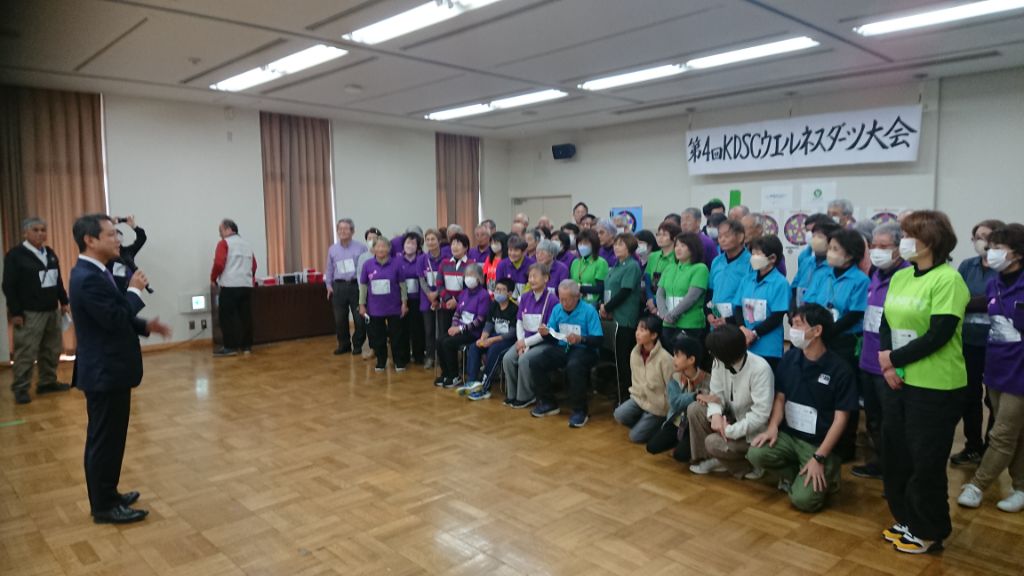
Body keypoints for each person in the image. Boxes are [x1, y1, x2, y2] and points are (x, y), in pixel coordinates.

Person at [877, 210, 970, 554]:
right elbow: (886, 323)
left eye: (908, 236)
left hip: (936, 386)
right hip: (899, 380)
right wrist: (888, 364)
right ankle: (907, 518)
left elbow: (939, 334)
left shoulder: (948, 280)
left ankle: (930, 531)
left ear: (930, 241)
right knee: (896, 454)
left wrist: (893, 359)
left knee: (925, 461)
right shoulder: (902, 276)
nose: (902, 242)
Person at [70, 214, 171, 524]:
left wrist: (145, 326)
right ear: (90, 240)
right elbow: (114, 318)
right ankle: (103, 506)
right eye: (111, 234)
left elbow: (113, 314)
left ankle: (109, 494)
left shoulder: (97, 271)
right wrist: (134, 290)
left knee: (113, 440)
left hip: (111, 370)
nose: (118, 239)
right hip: (103, 371)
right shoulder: (87, 277)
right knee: (103, 441)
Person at [748, 304, 857, 512]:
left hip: (818, 443)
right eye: (792, 325)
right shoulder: (790, 358)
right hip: (790, 436)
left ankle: (826, 474)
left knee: (803, 501)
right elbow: (780, 397)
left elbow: (841, 419)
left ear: (817, 331)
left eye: (798, 325)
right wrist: (772, 427)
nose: (793, 330)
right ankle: (800, 475)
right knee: (756, 453)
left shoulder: (840, 370)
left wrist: (819, 457)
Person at [957, 223, 1024, 513]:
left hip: (1020, 373)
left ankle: (977, 485)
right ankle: (1021, 487)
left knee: (1002, 434)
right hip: (996, 367)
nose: (990, 251)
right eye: (990, 246)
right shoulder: (995, 283)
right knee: (1016, 434)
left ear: (1018, 253)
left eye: (998, 247)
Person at [852, 222, 909, 480]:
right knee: (873, 418)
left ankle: (897, 472)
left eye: (884, 246)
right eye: (873, 245)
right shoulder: (875, 273)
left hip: (890, 362)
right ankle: (880, 463)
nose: (877, 251)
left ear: (899, 248)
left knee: (893, 421)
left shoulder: (907, 275)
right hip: (868, 358)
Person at [687, 325, 774, 478]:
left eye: (713, 352)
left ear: (726, 354)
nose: (711, 355)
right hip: (730, 417)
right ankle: (713, 458)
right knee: (695, 409)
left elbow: (760, 416)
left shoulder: (760, 369)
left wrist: (730, 431)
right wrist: (715, 415)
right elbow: (716, 394)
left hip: (752, 430)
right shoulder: (719, 362)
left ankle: (745, 466)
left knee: (712, 442)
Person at [953, 219, 1005, 466]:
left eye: (987, 236)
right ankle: (972, 446)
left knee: (993, 399)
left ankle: (991, 449)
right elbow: (956, 297)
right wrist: (982, 301)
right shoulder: (967, 265)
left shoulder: (1004, 267)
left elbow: (998, 300)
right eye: (978, 237)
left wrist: (974, 301)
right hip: (968, 341)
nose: (981, 241)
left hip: (997, 343)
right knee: (969, 396)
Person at [3, 217, 71, 404]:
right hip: (29, 313)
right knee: (26, 351)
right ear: (25, 233)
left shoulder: (49, 253)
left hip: (52, 310)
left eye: (43, 230)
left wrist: (64, 301)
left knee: (51, 348)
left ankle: (47, 382)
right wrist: (16, 312)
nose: (41, 233)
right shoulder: (15, 255)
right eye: (36, 230)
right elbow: (8, 285)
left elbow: (57, 280)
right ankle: (21, 388)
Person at [528, 279, 604, 428]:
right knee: (536, 361)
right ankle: (548, 402)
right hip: (564, 347)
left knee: (574, 366)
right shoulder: (557, 309)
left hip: (585, 350)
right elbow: (552, 336)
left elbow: (598, 340)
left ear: (577, 297)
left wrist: (581, 339)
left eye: (566, 299)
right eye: (561, 299)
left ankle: (580, 411)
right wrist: (545, 333)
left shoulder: (589, 311)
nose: (563, 303)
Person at [646, 333, 710, 460]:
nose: (674, 359)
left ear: (691, 360)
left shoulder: (707, 380)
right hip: (676, 423)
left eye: (677, 356)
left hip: (694, 427)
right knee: (652, 447)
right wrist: (695, 396)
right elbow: (675, 403)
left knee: (681, 456)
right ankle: (678, 442)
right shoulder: (674, 377)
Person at [502, 264, 556, 408]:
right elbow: (519, 321)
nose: (531, 280)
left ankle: (526, 396)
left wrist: (525, 343)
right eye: (530, 277)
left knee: (525, 359)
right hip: (524, 340)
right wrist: (521, 342)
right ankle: (512, 394)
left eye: (535, 276)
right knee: (508, 358)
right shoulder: (525, 297)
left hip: (543, 342)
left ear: (546, 278)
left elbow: (546, 331)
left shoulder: (552, 300)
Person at [613, 316, 673, 443]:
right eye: (637, 329)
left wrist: (666, 409)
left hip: (658, 407)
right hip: (640, 400)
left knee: (634, 437)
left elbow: (672, 388)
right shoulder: (634, 353)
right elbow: (635, 381)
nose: (637, 333)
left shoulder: (665, 359)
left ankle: (657, 424)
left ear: (654, 335)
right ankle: (645, 424)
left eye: (642, 330)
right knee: (619, 414)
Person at [734, 235, 789, 370]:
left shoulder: (780, 283)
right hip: (745, 343)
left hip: (768, 346)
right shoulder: (747, 279)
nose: (753, 257)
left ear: (772, 258)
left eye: (758, 254)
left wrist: (754, 334)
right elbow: (738, 307)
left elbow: (777, 316)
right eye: (752, 253)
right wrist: (742, 329)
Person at [601, 233, 642, 400]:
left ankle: (625, 396)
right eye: (615, 244)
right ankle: (618, 392)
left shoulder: (632, 266)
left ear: (629, 248)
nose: (616, 247)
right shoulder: (615, 265)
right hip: (611, 316)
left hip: (624, 318)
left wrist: (607, 307)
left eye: (621, 244)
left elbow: (625, 292)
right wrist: (604, 307)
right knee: (615, 358)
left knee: (623, 360)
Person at [435, 264, 490, 388]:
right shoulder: (464, 293)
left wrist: (460, 329)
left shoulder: (483, 295)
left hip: (473, 332)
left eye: (472, 275)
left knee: (448, 343)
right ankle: (446, 373)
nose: (468, 278)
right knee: (440, 341)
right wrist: (454, 326)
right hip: (460, 329)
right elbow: (457, 313)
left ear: (479, 278)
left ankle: (454, 375)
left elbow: (480, 320)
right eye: (467, 275)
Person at [463, 278, 519, 400]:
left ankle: (484, 386)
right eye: (497, 289)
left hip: (507, 340)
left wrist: (491, 341)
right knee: (474, 347)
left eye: (502, 290)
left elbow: (512, 333)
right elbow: (489, 324)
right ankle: (472, 382)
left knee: (494, 350)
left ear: (509, 294)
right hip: (493, 337)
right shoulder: (493, 305)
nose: (498, 292)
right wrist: (483, 338)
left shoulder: (514, 309)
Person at [359, 237, 409, 372]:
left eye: (384, 246)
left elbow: (403, 286)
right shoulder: (367, 265)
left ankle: (399, 361)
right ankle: (381, 361)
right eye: (378, 246)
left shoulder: (397, 264)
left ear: (389, 248)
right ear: (374, 249)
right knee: (378, 337)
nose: (381, 249)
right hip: (375, 308)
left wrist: (404, 303)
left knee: (396, 336)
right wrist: (362, 304)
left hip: (394, 307)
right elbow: (363, 286)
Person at [210, 218, 256, 357]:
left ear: (228, 229)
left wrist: (213, 278)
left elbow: (219, 263)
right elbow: (254, 265)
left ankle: (230, 347)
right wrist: (249, 278)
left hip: (230, 286)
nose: (220, 234)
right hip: (246, 286)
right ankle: (246, 346)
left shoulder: (224, 243)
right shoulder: (247, 245)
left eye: (221, 230)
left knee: (227, 317)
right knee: (245, 316)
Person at [325, 218, 368, 356]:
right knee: (340, 319)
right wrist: (328, 285)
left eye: (346, 228)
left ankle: (357, 344)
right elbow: (329, 269)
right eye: (340, 229)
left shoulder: (361, 248)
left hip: (356, 286)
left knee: (359, 319)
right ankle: (344, 345)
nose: (342, 231)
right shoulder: (332, 249)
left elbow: (365, 268)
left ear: (352, 231)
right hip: (338, 286)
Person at [656, 232, 708, 345]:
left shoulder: (700, 268)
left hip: (690, 323)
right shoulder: (669, 268)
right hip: (668, 323)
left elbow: (692, 297)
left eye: (683, 246)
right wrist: (664, 314)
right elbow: (660, 293)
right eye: (676, 245)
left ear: (693, 248)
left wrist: (672, 315)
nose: (678, 249)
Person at [707, 219, 750, 330]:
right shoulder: (716, 261)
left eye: (727, 236)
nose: (722, 240)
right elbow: (711, 292)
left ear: (740, 237)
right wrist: (710, 313)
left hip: (739, 323)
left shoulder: (750, 262)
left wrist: (729, 320)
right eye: (720, 236)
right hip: (716, 322)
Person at [793, 218, 840, 309]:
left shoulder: (834, 267)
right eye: (813, 236)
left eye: (820, 237)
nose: (815, 239)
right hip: (801, 312)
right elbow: (795, 286)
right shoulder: (806, 262)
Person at [438, 232, 475, 336]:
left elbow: (470, 287)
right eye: (453, 244)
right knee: (444, 335)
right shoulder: (444, 263)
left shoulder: (471, 264)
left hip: (462, 307)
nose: (454, 246)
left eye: (458, 244)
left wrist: (457, 300)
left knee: (457, 336)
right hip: (446, 305)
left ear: (466, 247)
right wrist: (448, 299)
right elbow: (439, 284)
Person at [419, 229, 445, 370]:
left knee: (442, 330)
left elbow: (447, 278)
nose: (430, 242)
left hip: (442, 298)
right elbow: (421, 279)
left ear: (439, 241)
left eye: (433, 239)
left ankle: (442, 356)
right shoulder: (422, 259)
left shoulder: (446, 258)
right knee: (429, 330)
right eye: (428, 239)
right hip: (427, 299)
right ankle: (430, 356)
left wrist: (437, 294)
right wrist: (430, 295)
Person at [645, 221, 682, 316]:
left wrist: (656, 302)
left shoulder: (678, 257)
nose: (660, 238)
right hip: (651, 301)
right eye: (658, 234)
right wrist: (650, 299)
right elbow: (648, 280)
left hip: (669, 302)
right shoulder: (653, 256)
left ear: (674, 238)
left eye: (664, 235)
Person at [399, 231, 426, 365]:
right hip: (401, 300)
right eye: (407, 243)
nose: (410, 246)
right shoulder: (397, 260)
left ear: (418, 246)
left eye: (413, 243)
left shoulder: (422, 260)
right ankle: (404, 356)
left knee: (417, 328)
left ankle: (418, 354)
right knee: (403, 328)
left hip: (418, 299)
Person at [570, 229, 608, 308]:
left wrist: (580, 288)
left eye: (585, 243)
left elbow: (600, 288)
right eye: (580, 243)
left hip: (592, 303)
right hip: (575, 302)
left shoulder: (600, 263)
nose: (582, 246)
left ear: (594, 245)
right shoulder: (575, 262)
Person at [110, 215, 148, 293]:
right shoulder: (104, 255)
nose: (117, 241)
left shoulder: (127, 252)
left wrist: (133, 226)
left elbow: (142, 238)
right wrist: (110, 224)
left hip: (129, 290)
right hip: (111, 291)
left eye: (119, 238)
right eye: (114, 238)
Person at [495, 235, 533, 300]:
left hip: (526, 301)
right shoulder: (502, 265)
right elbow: (499, 287)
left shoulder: (532, 265)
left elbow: (532, 286)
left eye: (516, 250)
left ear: (524, 252)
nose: (512, 253)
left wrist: (521, 300)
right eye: (510, 250)